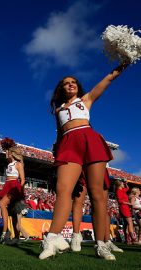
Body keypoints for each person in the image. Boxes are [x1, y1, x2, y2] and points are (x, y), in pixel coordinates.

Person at [39, 62, 129, 260]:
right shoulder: (58, 110)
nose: (70, 84)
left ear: (78, 86)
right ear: (61, 89)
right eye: (65, 83)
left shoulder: (86, 99)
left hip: (89, 140)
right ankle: (52, 239)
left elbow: (108, 79)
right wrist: (56, 156)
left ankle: (102, 245)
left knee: (98, 195)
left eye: (73, 82)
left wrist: (123, 64)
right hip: (68, 146)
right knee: (63, 190)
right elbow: (60, 135)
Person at [70, 170, 123, 257]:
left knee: (102, 206)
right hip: (82, 167)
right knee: (78, 201)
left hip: (98, 165)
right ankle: (76, 236)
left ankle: (107, 241)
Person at [0, 143, 25, 244]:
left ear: (13, 154)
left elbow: (22, 180)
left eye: (9, 152)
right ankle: (16, 238)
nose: (7, 154)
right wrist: (7, 146)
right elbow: (6, 153)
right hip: (7, 185)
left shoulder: (18, 164)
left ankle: (5, 231)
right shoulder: (10, 163)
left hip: (14, 186)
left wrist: (19, 192)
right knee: (13, 213)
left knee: (2, 204)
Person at [115, 180, 138, 244]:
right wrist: (129, 203)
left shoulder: (122, 190)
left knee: (126, 224)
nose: (123, 185)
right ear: (120, 185)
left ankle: (127, 239)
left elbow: (127, 188)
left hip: (125, 208)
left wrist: (126, 184)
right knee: (130, 223)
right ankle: (133, 238)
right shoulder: (119, 191)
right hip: (124, 208)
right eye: (122, 184)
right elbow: (120, 201)